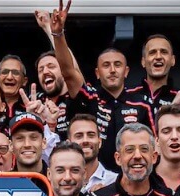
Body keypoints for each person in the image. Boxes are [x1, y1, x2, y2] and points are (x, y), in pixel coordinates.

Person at [40, 2, 148, 174]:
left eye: (117, 65)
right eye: (106, 65)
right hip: (90, 179)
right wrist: (58, 34)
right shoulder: (90, 97)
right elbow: (69, 72)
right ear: (97, 73)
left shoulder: (142, 104)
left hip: (131, 179)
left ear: (126, 71)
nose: (112, 70)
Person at [67, 114, 118, 192]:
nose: (85, 140)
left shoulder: (115, 182)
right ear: (68, 144)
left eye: (91, 135)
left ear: (99, 142)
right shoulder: (62, 182)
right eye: (79, 136)